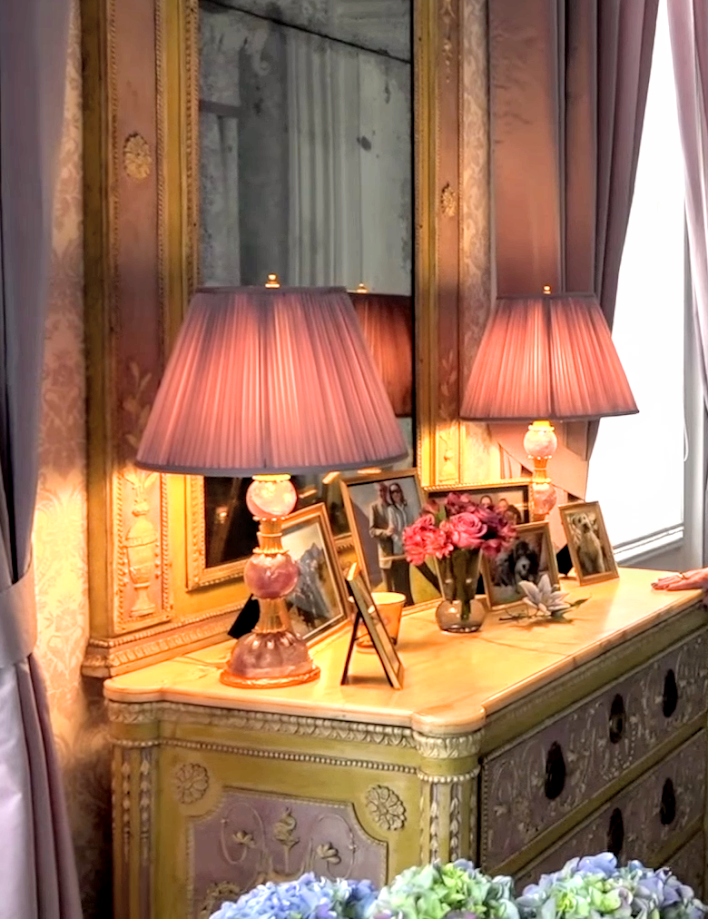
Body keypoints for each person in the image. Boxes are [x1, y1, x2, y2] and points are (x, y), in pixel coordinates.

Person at [386, 481, 414, 605]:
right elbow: (392, 530)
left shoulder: (407, 508)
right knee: (400, 579)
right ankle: (404, 603)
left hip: (410, 547)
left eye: (397, 491)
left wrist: (411, 540)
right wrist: (401, 542)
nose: (395, 494)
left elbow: (411, 524)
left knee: (407, 576)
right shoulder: (391, 510)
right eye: (392, 492)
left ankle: (410, 602)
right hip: (399, 549)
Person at [368, 482, 394, 590]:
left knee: (401, 586)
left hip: (397, 552)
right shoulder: (373, 507)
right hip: (384, 553)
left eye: (384, 490)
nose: (382, 493)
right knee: (389, 590)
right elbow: (372, 531)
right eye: (380, 491)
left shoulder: (392, 507)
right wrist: (385, 532)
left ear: (387, 492)